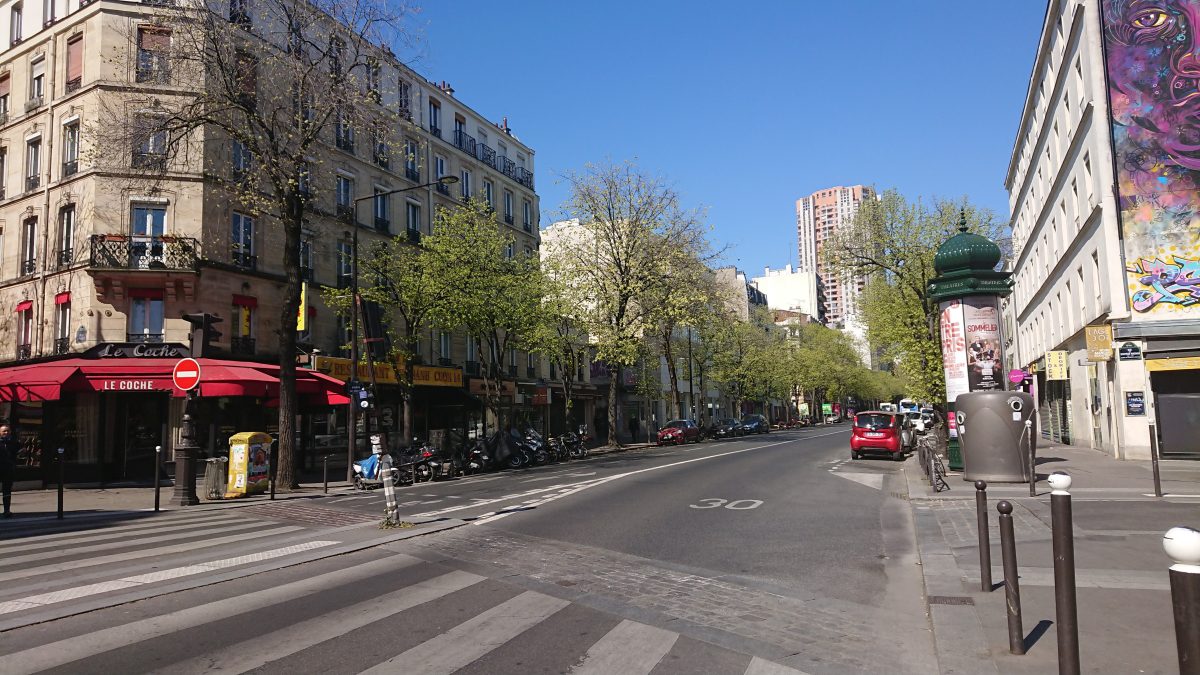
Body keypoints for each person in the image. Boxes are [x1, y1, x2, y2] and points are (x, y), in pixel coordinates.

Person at [0, 425, 18, 517]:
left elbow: (16, 454)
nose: (6, 433)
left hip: (8, 470)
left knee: (7, 491)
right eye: (4, 431)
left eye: (8, 431)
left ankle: (7, 510)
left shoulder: (13, 443)